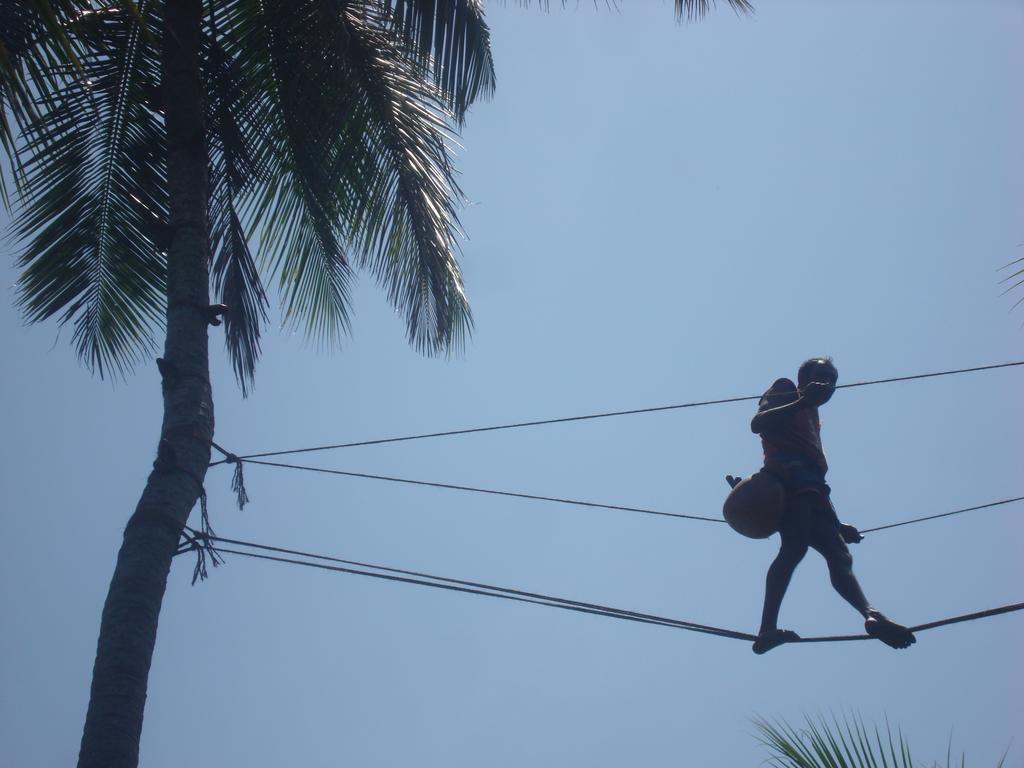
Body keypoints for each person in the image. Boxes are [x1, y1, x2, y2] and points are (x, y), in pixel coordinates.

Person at [747, 357, 916, 654]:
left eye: (832, 379)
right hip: (789, 478)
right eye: (821, 375)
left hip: (812, 487)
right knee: (794, 547)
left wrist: (837, 524)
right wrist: (801, 401)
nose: (827, 383)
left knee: (840, 553)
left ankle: (871, 615)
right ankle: (767, 629)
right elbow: (759, 423)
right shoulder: (787, 389)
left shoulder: (811, 414)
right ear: (803, 379)